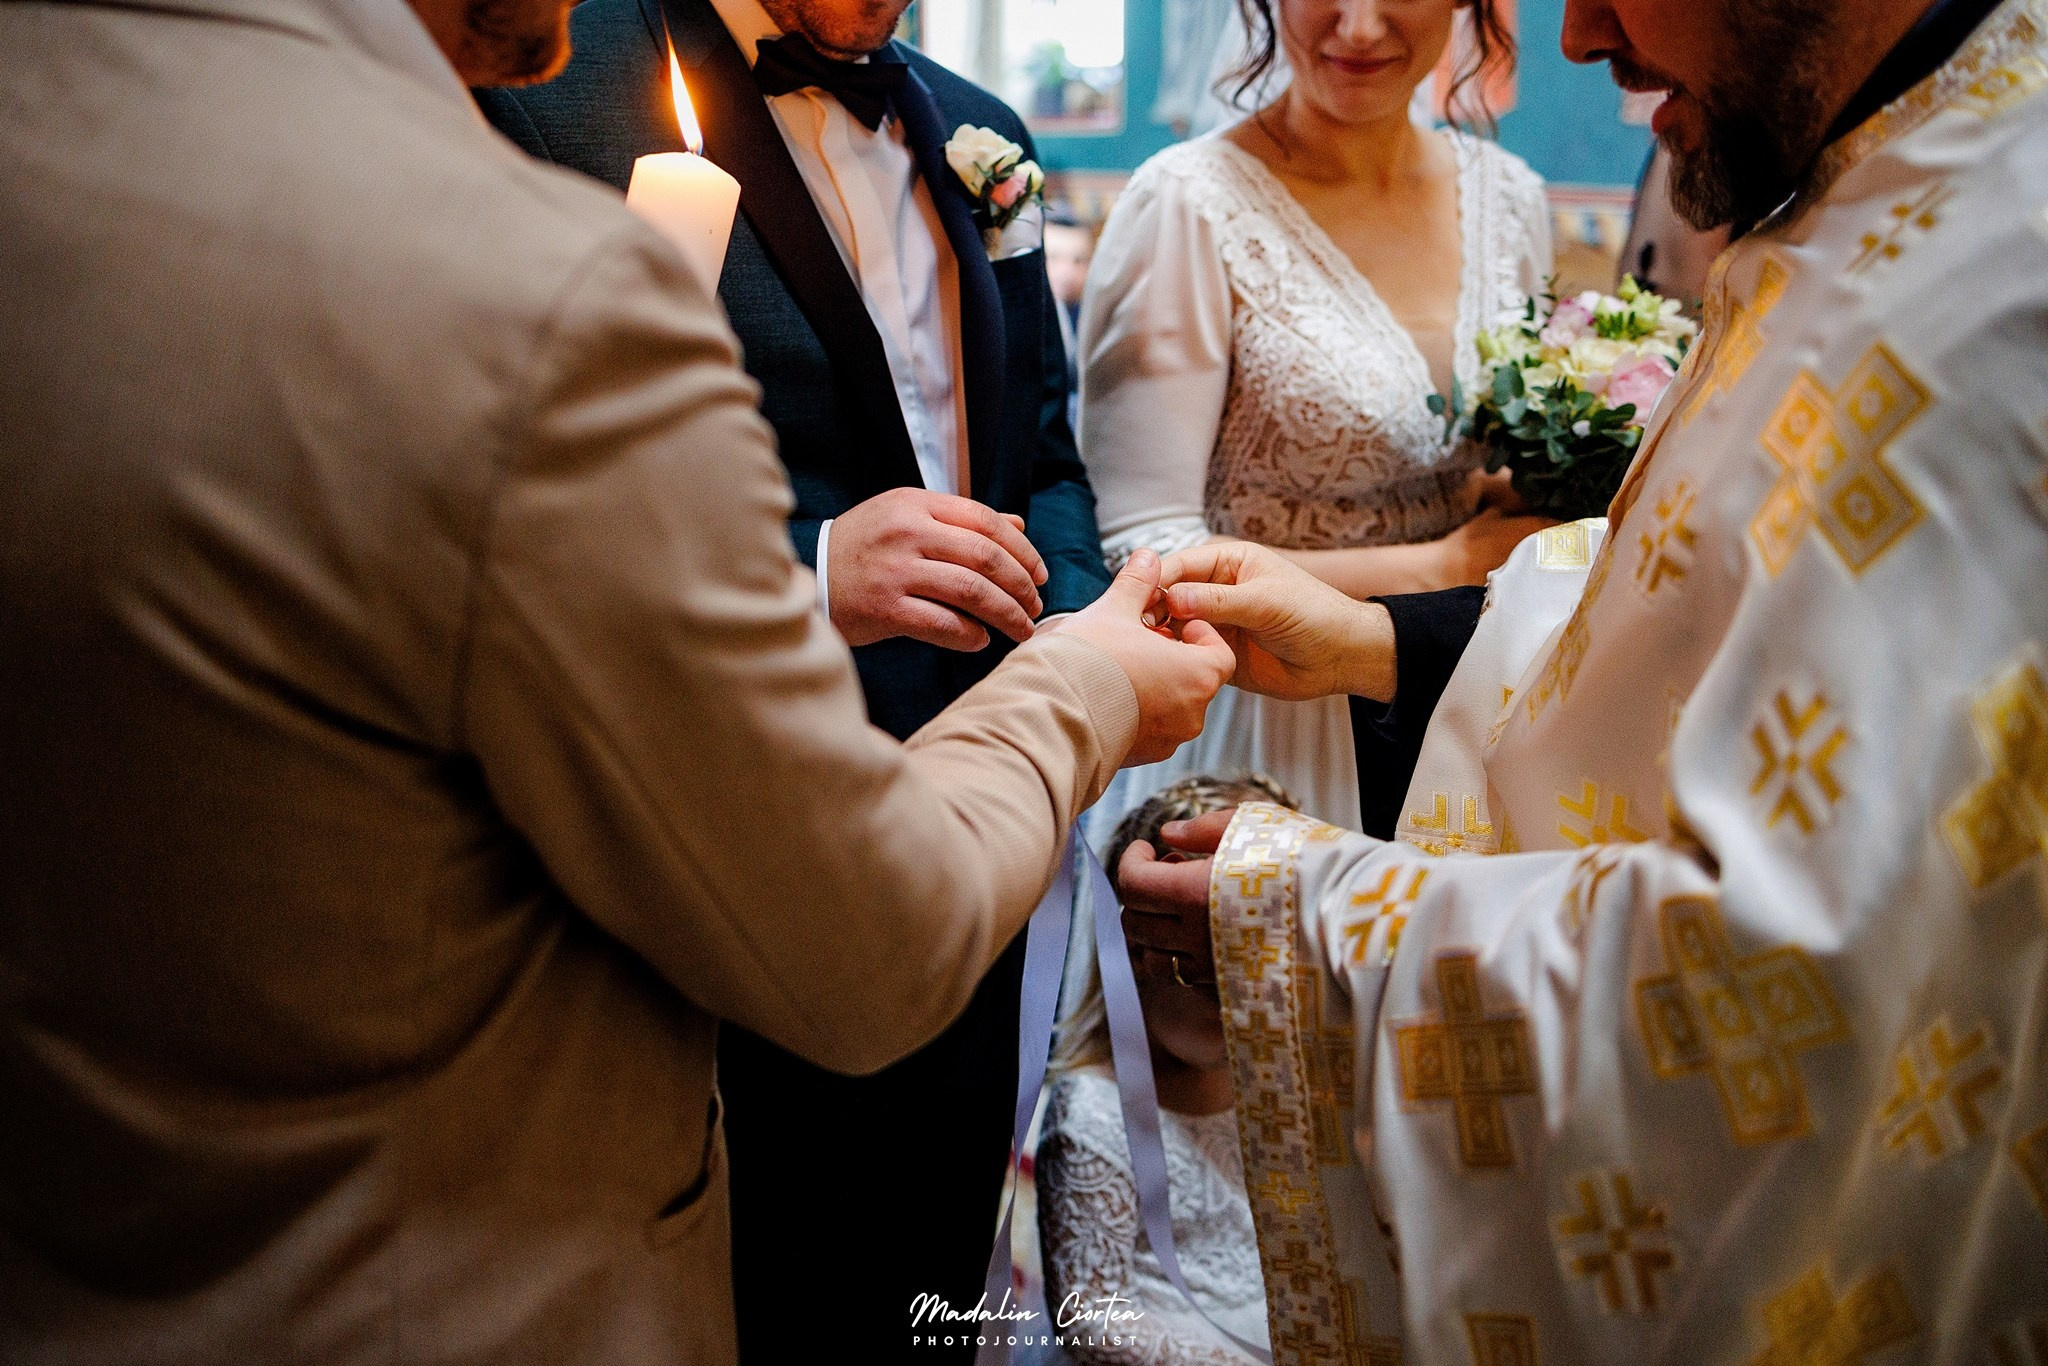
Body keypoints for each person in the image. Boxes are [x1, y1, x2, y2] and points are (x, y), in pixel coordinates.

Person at [0, 0, 1238, 1359]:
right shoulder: (536, 209)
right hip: (501, 1185)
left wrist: (1046, 607)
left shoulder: (65, 121)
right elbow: (854, 936)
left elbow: (1040, 444)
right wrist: (1067, 674)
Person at [1117, 0, 2048, 1357]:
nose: (1578, 36)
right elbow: (1681, 603)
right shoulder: (1889, 175)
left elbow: (1783, 991)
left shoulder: (2000, 282)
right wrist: (1383, 641)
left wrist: (1299, 916)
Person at [473, 0, 1112, 1352]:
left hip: (983, 825)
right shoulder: (545, 84)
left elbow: (1043, 450)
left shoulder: (981, 131)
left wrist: (1067, 640)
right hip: (719, 840)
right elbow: (494, 490)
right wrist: (812, 565)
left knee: (923, 1267)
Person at [1077, 0, 1554, 839]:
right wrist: (1443, 564)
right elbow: (1143, 554)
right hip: (1264, 714)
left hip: (1465, 692)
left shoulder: (1509, 196)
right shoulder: (1187, 204)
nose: (1360, 27)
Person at [1035, 776, 1289, 1366]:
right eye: (1201, 969)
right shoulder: (1095, 1110)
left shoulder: (1269, 1090)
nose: (1227, 992)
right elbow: (1091, 1316)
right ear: (1135, 950)